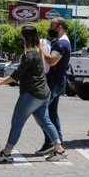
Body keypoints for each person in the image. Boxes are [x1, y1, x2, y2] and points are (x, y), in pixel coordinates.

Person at [0, 25, 67, 163]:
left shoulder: (29, 53)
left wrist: (1, 81)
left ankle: (6, 153)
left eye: (21, 36)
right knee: (45, 121)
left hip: (32, 93)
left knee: (17, 122)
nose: (20, 39)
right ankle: (59, 149)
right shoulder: (38, 51)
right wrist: (4, 80)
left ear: (26, 37)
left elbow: (17, 74)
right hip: (44, 93)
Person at [35, 17, 71, 156]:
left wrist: (40, 48)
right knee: (52, 113)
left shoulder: (62, 44)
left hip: (55, 83)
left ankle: (54, 143)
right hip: (55, 81)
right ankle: (54, 142)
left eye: (52, 26)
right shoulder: (58, 42)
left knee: (40, 111)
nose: (50, 28)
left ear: (60, 27)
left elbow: (51, 61)